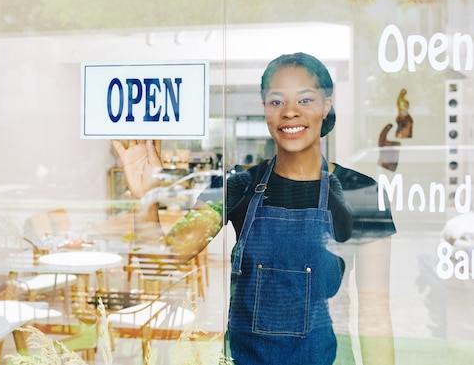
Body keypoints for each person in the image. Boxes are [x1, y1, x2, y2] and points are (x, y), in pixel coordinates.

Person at [112, 52, 395, 364]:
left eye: (305, 99)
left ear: (326, 104)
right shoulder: (236, 186)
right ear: (265, 109)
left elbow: (374, 313)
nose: (290, 112)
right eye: (276, 101)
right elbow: (160, 264)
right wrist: (144, 198)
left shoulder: (362, 193)